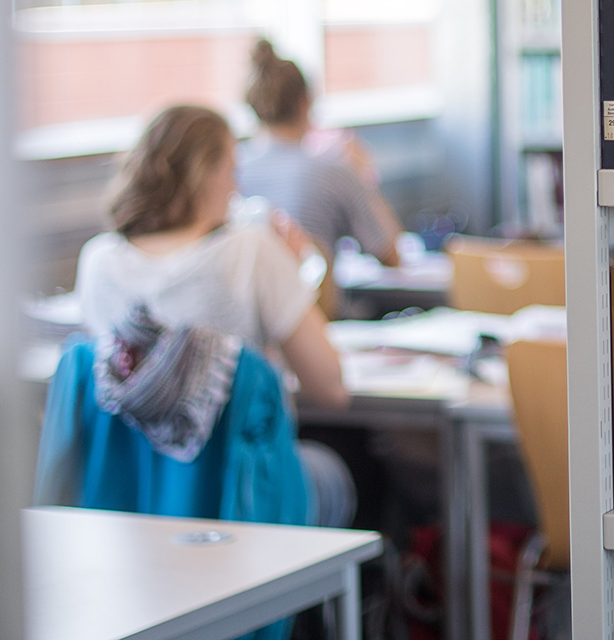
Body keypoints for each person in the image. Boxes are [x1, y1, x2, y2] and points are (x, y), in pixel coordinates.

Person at [74, 104, 355, 526]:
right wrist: (303, 266)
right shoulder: (251, 250)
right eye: (230, 169)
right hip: (238, 500)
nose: (236, 185)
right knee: (337, 473)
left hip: (135, 504)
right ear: (205, 176)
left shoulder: (97, 261)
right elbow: (331, 389)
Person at [238, 39, 403, 267]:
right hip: (316, 301)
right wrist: (364, 177)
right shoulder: (332, 171)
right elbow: (391, 255)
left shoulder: (232, 168)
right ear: (304, 103)